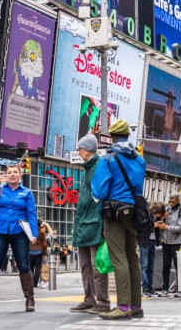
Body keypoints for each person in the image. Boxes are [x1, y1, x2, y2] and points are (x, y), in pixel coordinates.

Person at [91, 118, 150, 320]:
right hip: (134, 211)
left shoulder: (108, 159)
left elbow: (99, 190)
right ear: (127, 135)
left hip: (114, 212)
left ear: (113, 137)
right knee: (132, 256)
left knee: (119, 258)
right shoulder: (140, 160)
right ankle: (136, 306)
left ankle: (123, 307)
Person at [0, 162, 38, 313]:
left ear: (20, 175)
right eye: (9, 172)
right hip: (0, 231)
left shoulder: (27, 193)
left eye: (15, 172)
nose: (12, 175)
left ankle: (30, 300)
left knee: (24, 266)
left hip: (19, 233)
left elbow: (31, 214)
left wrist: (34, 234)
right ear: (6, 174)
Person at [69, 133, 111, 314]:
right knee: (86, 265)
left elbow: (101, 196)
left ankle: (102, 303)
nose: (78, 151)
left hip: (93, 223)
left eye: (80, 148)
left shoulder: (98, 165)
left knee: (96, 265)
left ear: (88, 149)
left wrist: (103, 225)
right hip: (84, 223)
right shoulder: (88, 167)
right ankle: (90, 299)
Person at [155, 192, 181, 295]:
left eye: (173, 202)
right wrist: (162, 219)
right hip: (166, 242)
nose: (170, 203)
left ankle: (180, 288)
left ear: (178, 201)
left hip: (177, 242)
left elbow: (180, 227)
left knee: (179, 266)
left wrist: (167, 227)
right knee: (166, 265)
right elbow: (162, 223)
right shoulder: (167, 209)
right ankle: (165, 288)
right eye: (169, 201)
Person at [29, 219, 49, 288]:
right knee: (38, 268)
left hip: (30, 251)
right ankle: (35, 283)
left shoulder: (30, 231)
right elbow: (44, 243)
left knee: (30, 268)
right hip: (39, 251)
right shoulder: (41, 231)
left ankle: (30, 282)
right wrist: (45, 253)